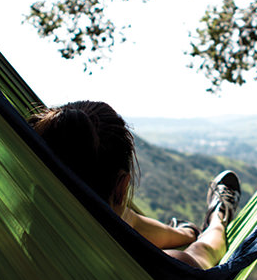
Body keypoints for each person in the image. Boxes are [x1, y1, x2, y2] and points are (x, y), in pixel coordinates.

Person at [29, 100, 241, 270]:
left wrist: (186, 234)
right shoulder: (163, 270)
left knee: (113, 217)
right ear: (122, 186)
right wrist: (214, 224)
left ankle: (185, 232)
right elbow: (208, 251)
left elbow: (128, 221)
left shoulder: (21, 245)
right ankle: (218, 214)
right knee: (112, 216)